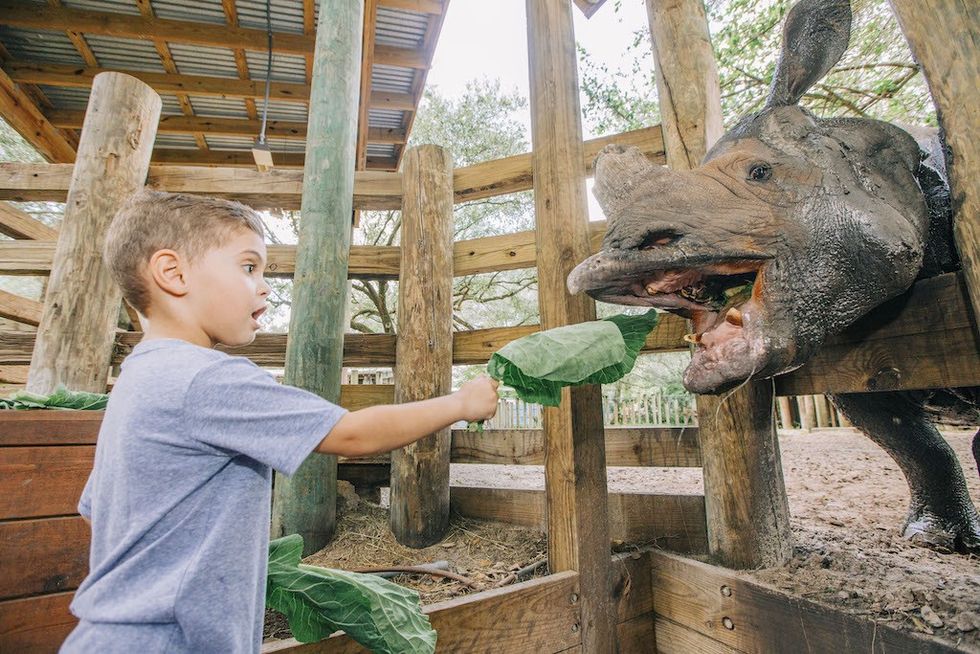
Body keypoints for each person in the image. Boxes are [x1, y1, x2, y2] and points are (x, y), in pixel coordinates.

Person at [61, 190, 499, 653]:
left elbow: (98, 511)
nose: (265, 286)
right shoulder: (206, 378)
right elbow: (351, 435)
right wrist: (459, 403)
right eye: (249, 267)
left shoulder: (138, 379)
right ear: (173, 273)